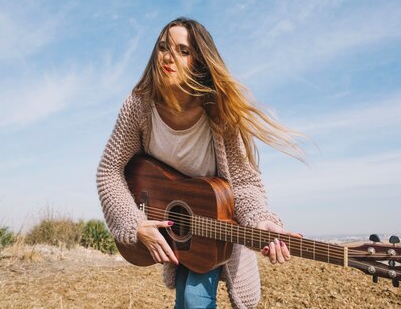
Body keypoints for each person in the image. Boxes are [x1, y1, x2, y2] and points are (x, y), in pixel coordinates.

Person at [96, 18, 304, 309]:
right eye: (163, 47)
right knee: (187, 301)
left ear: (200, 63)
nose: (168, 56)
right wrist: (135, 223)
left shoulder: (220, 112)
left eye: (183, 51)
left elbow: (243, 184)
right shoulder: (139, 105)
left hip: (216, 228)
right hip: (179, 232)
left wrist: (262, 221)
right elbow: (109, 170)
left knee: (193, 300)